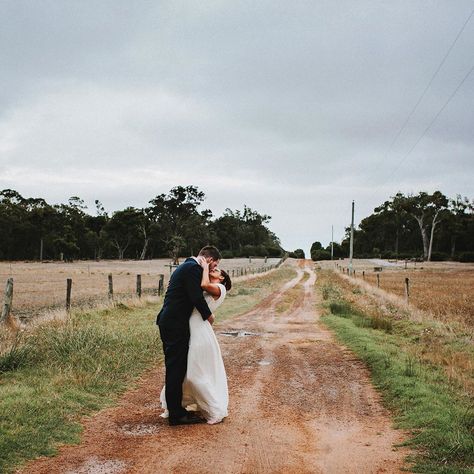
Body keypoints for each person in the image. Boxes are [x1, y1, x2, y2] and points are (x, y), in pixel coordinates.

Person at [160, 259, 232, 424]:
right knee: (183, 370)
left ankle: (212, 407)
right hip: (190, 329)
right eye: (213, 268)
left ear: (221, 279)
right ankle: (180, 406)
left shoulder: (219, 288)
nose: (213, 270)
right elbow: (192, 292)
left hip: (200, 332)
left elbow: (204, 284)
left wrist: (205, 266)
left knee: (194, 372)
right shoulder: (204, 287)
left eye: (216, 271)